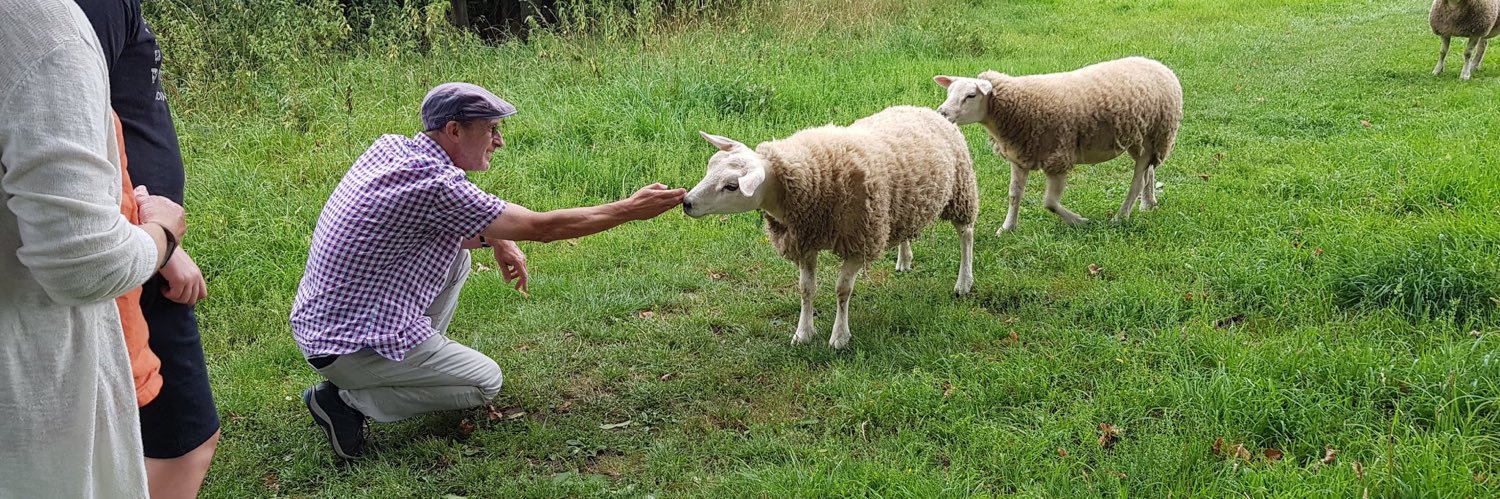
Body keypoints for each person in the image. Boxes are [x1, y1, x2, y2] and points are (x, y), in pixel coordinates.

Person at [291, 82, 685, 459]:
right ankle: (344, 401)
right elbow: (542, 228)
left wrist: (495, 238)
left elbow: (430, 229)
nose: (500, 141)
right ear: (453, 130)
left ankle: (401, 369)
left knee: (457, 257)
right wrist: (628, 211)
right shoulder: (434, 184)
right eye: (491, 130)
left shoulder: (394, 149)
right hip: (346, 347)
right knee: (484, 382)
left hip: (324, 326)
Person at [0, 0, 188, 496]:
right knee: (185, 439)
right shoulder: (42, 28)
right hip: (40, 386)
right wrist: (163, 238)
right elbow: (82, 261)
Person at [73, 1, 221, 496]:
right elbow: (77, 130)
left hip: (138, 248)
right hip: (132, 260)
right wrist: (160, 242)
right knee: (184, 443)